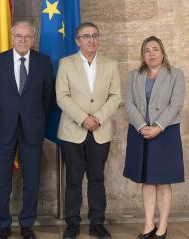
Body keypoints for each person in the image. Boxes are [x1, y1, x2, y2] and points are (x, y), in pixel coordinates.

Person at [0, 20, 54, 239]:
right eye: (19, 36)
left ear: (33, 39)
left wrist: (32, 114)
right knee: (2, 179)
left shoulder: (44, 62)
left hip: (32, 128)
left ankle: (27, 224)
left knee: (32, 178)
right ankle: (3, 224)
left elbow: (47, 96)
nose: (23, 40)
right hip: (3, 127)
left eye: (27, 36)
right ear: (12, 37)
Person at [56, 22, 121, 239]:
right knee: (73, 180)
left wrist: (98, 118)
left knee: (97, 179)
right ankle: (72, 223)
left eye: (94, 35)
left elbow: (115, 96)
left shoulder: (110, 64)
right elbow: (61, 96)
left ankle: (97, 223)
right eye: (86, 36)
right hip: (73, 131)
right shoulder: (66, 63)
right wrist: (84, 118)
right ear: (77, 41)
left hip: (100, 131)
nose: (91, 40)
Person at [124, 36, 185, 239]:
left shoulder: (176, 74)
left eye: (155, 49)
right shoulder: (134, 75)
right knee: (147, 181)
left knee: (163, 181)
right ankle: (149, 224)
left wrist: (158, 127)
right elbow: (129, 103)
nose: (151, 53)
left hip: (166, 133)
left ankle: (163, 225)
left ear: (163, 52)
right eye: (147, 50)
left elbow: (175, 104)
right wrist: (141, 126)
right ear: (142, 55)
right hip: (139, 131)